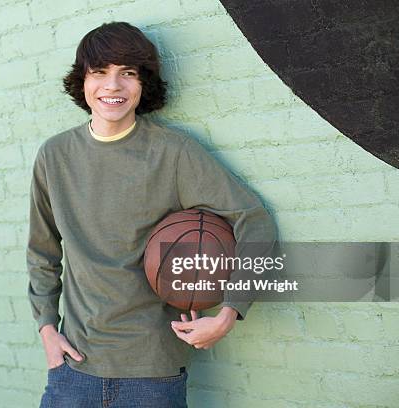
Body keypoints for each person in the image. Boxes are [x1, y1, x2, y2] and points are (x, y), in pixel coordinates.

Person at [27, 21, 277, 407]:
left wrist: (229, 313)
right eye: (100, 73)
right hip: (73, 369)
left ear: (144, 84)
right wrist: (47, 327)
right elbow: (43, 253)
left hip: (152, 375)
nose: (113, 86)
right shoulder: (54, 156)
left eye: (127, 73)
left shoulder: (172, 153)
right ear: (83, 81)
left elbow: (254, 220)